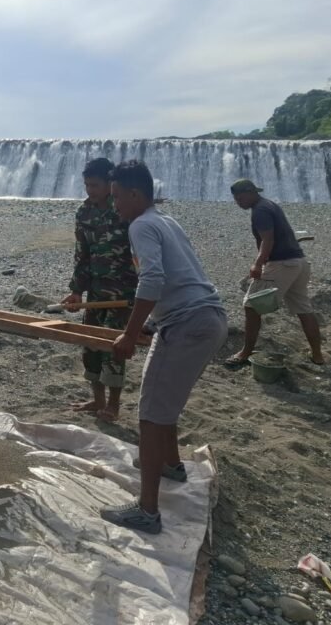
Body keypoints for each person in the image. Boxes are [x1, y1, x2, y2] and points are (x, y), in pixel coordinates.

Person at [99, 160, 227, 534]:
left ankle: (148, 511)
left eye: (118, 198)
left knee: (151, 414)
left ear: (136, 194)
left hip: (189, 322)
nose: (115, 206)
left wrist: (129, 332)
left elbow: (152, 278)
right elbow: (179, 276)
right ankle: (170, 465)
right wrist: (151, 323)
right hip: (205, 318)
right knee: (161, 404)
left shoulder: (141, 225)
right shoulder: (165, 220)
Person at [62, 157, 137, 421]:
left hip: (122, 294)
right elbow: (81, 254)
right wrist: (76, 290)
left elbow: (140, 255)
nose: (89, 190)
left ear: (109, 184)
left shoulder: (125, 212)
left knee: (113, 348)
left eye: (94, 185)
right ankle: (97, 400)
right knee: (90, 345)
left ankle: (113, 405)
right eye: (86, 185)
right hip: (95, 292)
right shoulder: (84, 213)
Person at [225, 179, 323, 367]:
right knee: (303, 309)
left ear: (251, 193)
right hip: (298, 262)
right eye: (235, 200)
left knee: (252, 306)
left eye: (240, 198)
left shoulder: (260, 210)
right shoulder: (269, 205)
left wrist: (257, 264)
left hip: (282, 264)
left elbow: (267, 241)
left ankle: (245, 353)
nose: (238, 202)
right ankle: (318, 356)